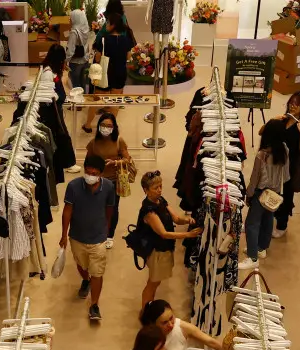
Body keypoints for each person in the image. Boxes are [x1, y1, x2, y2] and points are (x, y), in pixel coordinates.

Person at [60, 154, 117, 322]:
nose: (90, 175)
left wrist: (106, 229)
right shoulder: (73, 186)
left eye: (94, 173)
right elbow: (67, 211)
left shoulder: (108, 187)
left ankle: (94, 305)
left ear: (100, 173)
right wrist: (64, 234)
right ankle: (86, 280)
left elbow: (109, 209)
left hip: (98, 238)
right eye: (88, 171)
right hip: (77, 236)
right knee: (81, 264)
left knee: (97, 272)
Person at [137, 170, 202, 306]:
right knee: (152, 283)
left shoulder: (161, 200)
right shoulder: (149, 211)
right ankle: (145, 311)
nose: (159, 190)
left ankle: (149, 306)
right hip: (157, 251)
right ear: (146, 190)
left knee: (156, 281)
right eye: (155, 188)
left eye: (160, 186)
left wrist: (187, 220)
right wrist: (188, 235)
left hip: (164, 248)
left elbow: (176, 218)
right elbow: (164, 233)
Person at [240, 118, 291, 271]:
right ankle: (261, 248)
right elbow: (286, 176)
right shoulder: (285, 150)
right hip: (274, 193)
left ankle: (252, 257)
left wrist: (249, 194)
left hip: (260, 193)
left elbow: (255, 178)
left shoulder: (262, 155)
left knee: (251, 224)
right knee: (268, 219)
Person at [84, 112, 134, 247]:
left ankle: (109, 235)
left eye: (109, 125)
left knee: (112, 208)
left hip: (113, 181)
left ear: (114, 127)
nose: (106, 128)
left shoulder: (118, 141)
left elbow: (127, 159)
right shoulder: (93, 143)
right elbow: (87, 161)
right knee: (96, 207)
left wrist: (115, 163)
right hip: (97, 181)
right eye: (103, 125)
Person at [269, 91, 300, 237]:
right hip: (274, 163)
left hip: (290, 167)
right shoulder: (283, 119)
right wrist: (273, 121)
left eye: (297, 104)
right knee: (268, 190)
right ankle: (265, 218)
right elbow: (264, 133)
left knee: (286, 195)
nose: (293, 106)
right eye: (291, 103)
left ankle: (282, 224)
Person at [88, 0, 135, 128]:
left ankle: (87, 125)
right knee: (115, 101)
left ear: (113, 25)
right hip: (120, 72)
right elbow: (128, 57)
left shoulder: (104, 40)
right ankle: (111, 125)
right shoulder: (126, 40)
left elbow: (97, 59)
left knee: (96, 100)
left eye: (108, 22)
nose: (106, 24)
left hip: (106, 73)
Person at [66, 8, 91, 100]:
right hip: (85, 60)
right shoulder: (86, 29)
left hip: (75, 62)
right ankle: (83, 100)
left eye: (71, 17)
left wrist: (66, 60)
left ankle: (78, 103)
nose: (70, 19)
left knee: (76, 84)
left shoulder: (74, 32)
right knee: (82, 82)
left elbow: (71, 50)